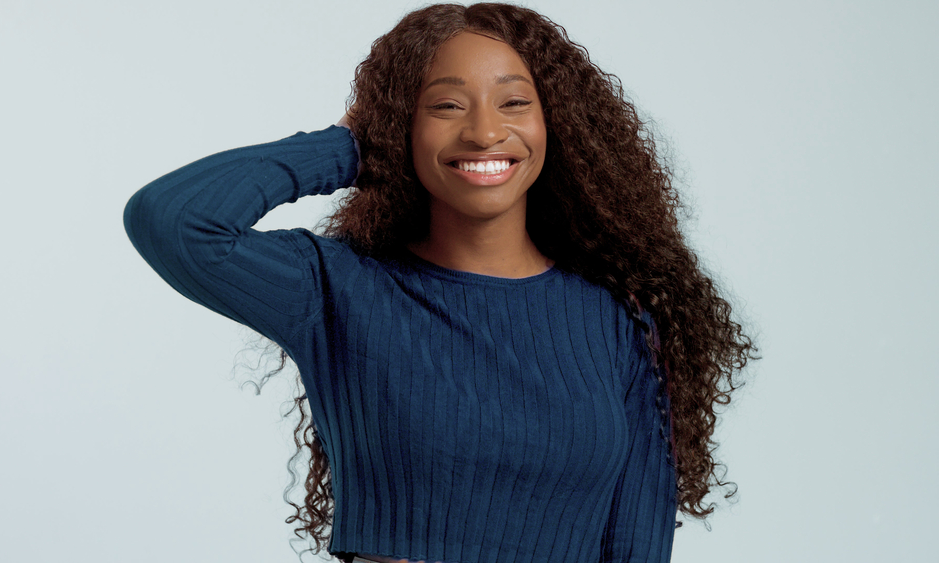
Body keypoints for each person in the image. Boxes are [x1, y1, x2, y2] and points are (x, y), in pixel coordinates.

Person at [124, 3, 755, 563]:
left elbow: (636, 542)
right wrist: (349, 145)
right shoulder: (336, 289)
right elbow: (173, 220)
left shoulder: (619, 320)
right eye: (446, 105)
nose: (484, 132)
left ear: (556, 125)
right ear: (405, 126)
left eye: (514, 102)